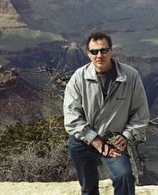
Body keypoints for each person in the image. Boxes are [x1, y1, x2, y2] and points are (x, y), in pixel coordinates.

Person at [63, 31, 150, 195]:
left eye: (103, 50)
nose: (99, 55)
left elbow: (141, 113)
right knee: (88, 189)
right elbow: (71, 117)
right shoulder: (78, 78)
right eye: (94, 51)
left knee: (124, 176)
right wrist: (95, 140)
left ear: (111, 50)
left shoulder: (130, 76)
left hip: (113, 140)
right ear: (88, 54)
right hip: (85, 139)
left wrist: (126, 136)